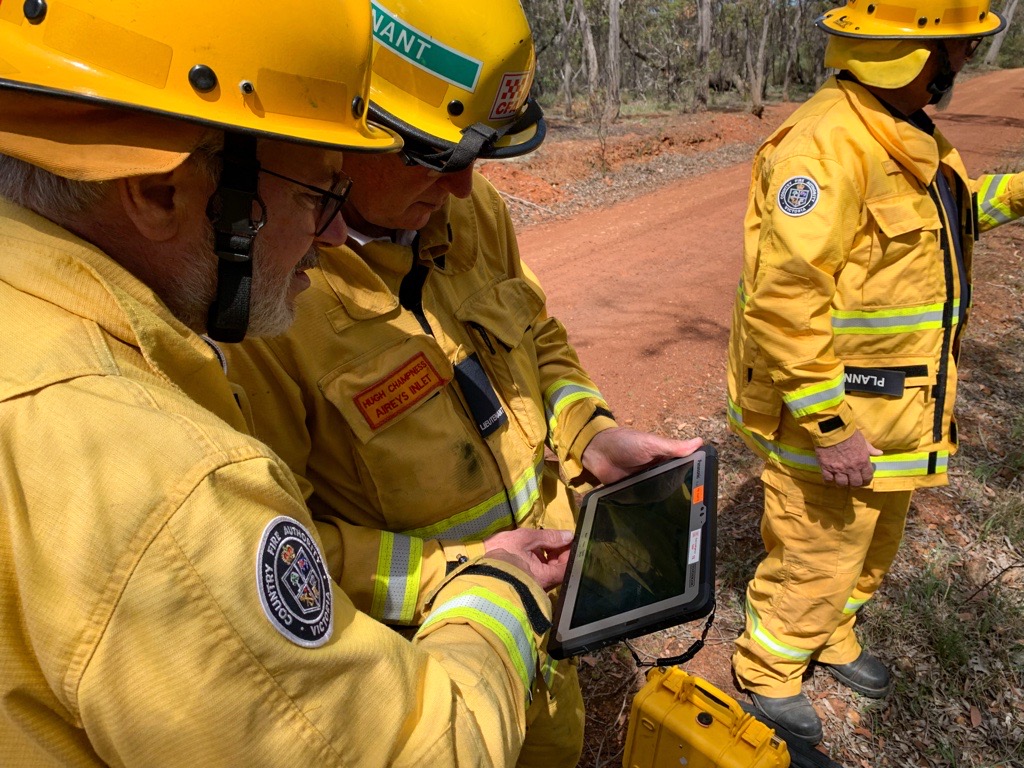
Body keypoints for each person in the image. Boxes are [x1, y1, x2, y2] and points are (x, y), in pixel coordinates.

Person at [0, 2, 578, 765]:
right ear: (158, 188)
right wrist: (495, 587)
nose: (336, 236)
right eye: (316, 195)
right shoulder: (165, 487)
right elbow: (434, 752)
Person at [223, 0, 703, 764]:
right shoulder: (267, 302)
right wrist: (462, 577)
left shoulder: (475, 215)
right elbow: (275, 551)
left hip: (542, 623)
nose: (463, 188)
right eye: (436, 157)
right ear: (345, 122)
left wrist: (593, 433)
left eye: (476, 158)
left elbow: (538, 337)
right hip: (427, 681)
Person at [725, 0, 1024, 744]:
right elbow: (785, 303)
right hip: (839, 417)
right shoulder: (827, 148)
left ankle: (831, 634)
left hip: (897, 413)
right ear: (909, 54)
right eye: (953, 52)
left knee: (870, 545)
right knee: (818, 551)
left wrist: (1015, 193)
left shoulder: (905, 129)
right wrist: (830, 428)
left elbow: (946, 226)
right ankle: (770, 668)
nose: (962, 67)